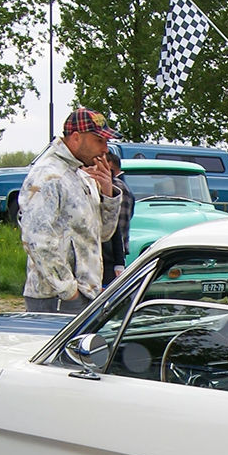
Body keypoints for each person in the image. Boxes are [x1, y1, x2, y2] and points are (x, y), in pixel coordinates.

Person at [19, 107, 124, 314]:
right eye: (99, 141)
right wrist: (69, 292)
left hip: (85, 293)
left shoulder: (80, 176)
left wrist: (108, 195)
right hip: (55, 299)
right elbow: (37, 241)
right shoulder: (47, 176)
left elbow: (103, 235)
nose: (105, 149)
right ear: (76, 138)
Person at [103, 151, 133, 285]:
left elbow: (115, 227)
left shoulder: (115, 188)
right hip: (116, 254)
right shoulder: (125, 188)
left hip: (110, 256)